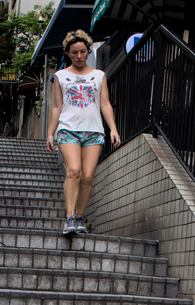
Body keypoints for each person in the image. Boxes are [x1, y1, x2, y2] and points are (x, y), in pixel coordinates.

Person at [46, 30, 119, 233]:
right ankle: (69, 217)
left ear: (88, 52)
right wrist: (50, 133)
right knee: (74, 171)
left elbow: (105, 104)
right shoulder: (60, 76)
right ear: (68, 53)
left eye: (82, 52)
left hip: (94, 131)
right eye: (74, 52)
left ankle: (79, 217)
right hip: (68, 129)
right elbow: (57, 107)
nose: (79, 56)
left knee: (87, 176)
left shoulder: (99, 75)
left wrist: (113, 129)